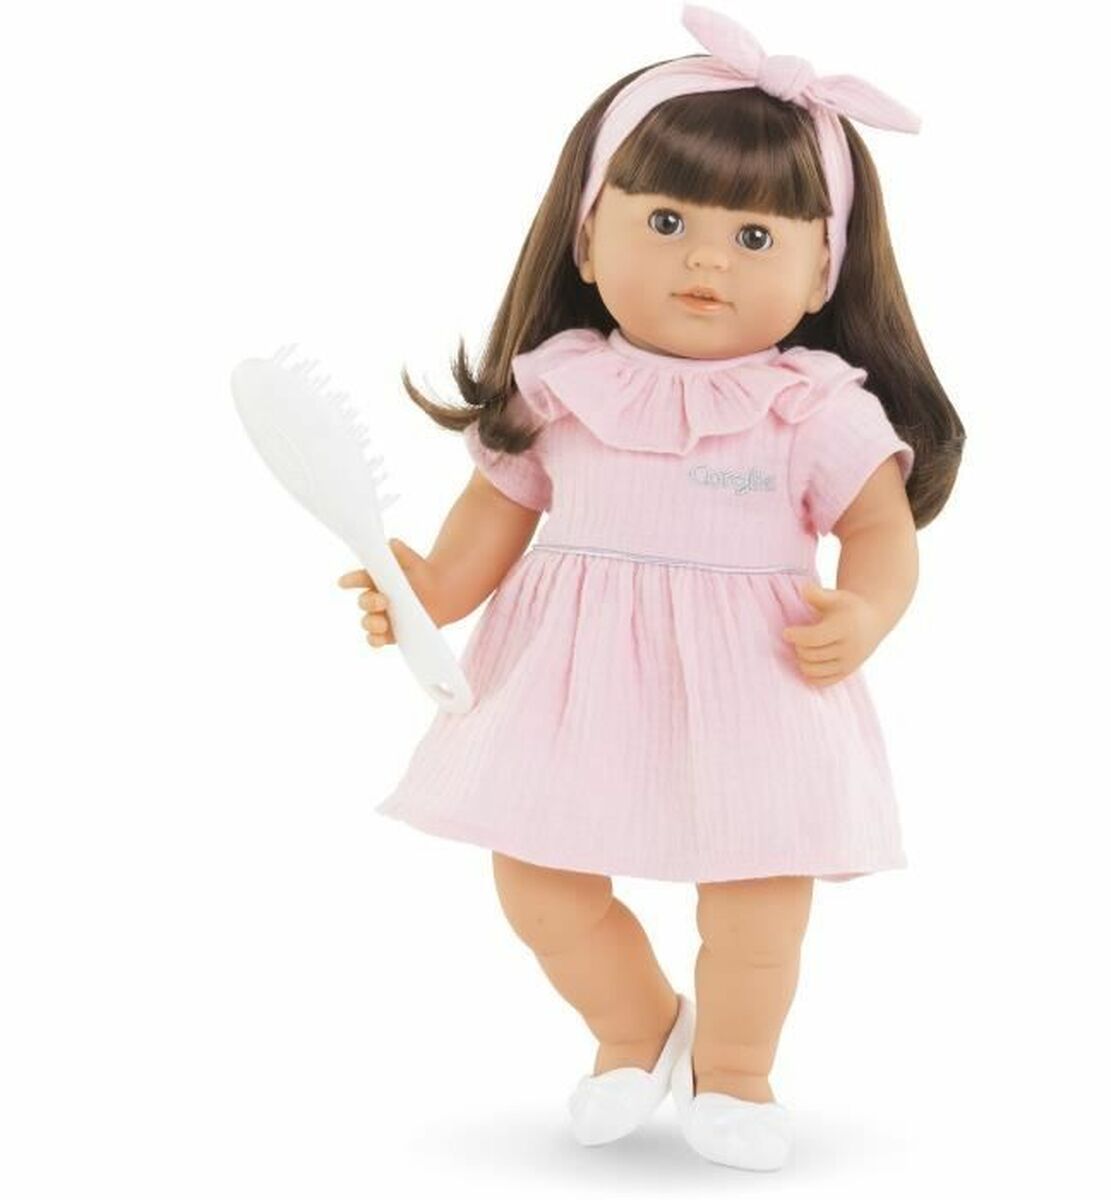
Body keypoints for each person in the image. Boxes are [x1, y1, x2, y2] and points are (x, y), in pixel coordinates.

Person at [338, 3, 964, 1173]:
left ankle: (736, 1071)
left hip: (758, 687)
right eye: (668, 221)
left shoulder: (812, 407)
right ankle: (636, 1029)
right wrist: (427, 588)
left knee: (757, 903)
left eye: (756, 236)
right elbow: (493, 518)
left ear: (822, 269)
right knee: (537, 881)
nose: (706, 260)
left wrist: (868, 611)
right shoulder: (560, 388)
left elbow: (881, 531)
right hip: (569, 686)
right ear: (587, 239)